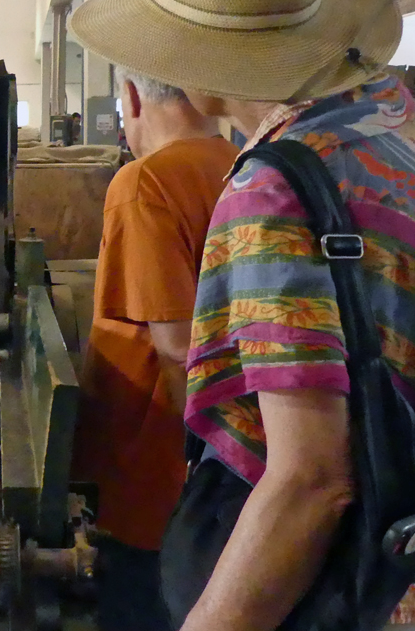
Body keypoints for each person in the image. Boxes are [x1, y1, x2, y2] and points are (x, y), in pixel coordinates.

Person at [69, 0, 415, 631]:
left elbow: (312, 482)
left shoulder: (273, 189)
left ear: (199, 58)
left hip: (358, 596)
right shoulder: (413, 131)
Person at [73, 69, 237, 631]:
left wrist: (191, 467)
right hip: (235, 466)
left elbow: (177, 345)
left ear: (133, 97)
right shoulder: (241, 167)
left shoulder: (146, 183)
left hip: (158, 472)